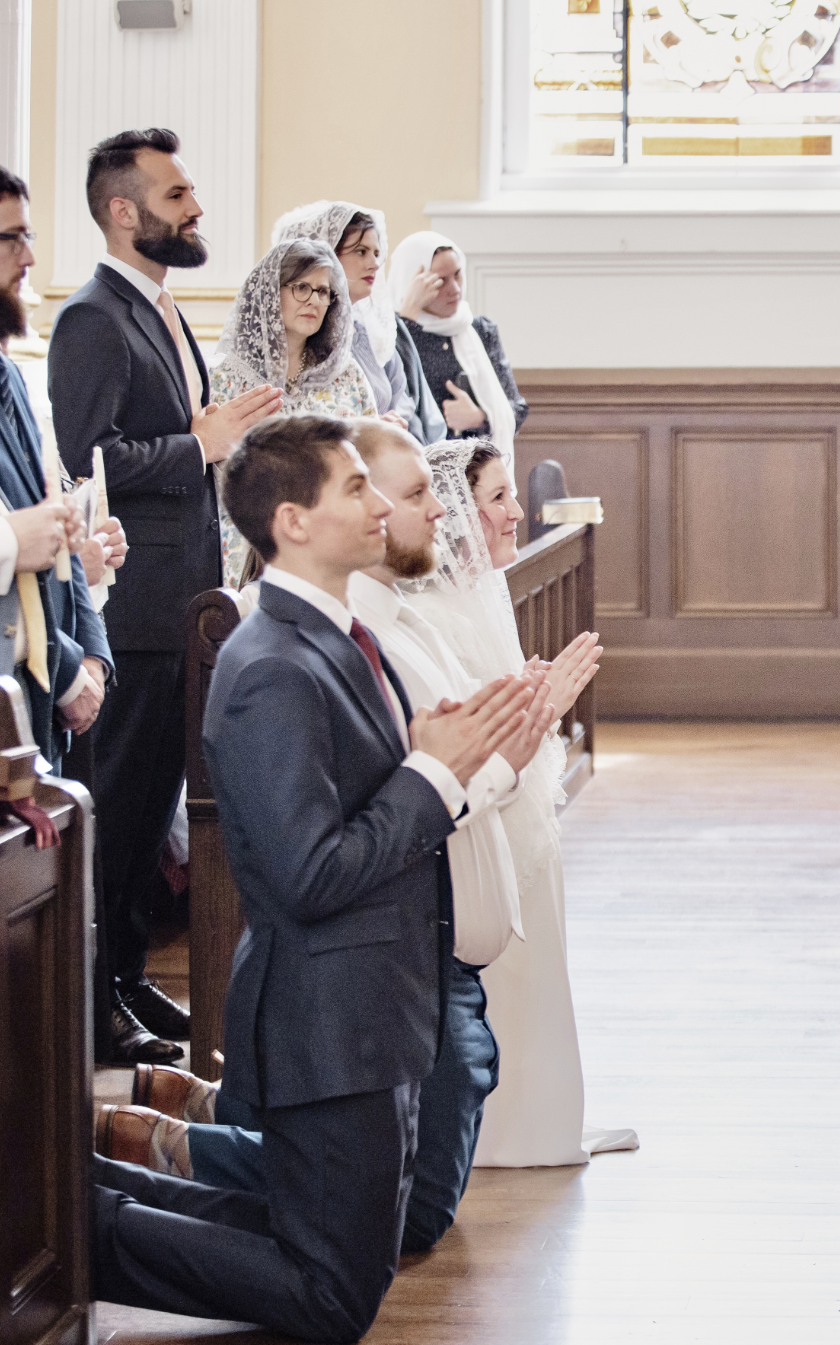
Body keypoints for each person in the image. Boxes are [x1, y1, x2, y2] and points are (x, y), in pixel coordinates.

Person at [88, 414, 538, 1343]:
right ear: (292, 520)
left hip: (375, 1008)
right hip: (329, 1020)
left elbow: (362, 806)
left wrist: (441, 762)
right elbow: (307, 874)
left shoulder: (333, 636)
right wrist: (433, 776)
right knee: (333, 1296)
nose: (383, 506)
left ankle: (92, 1194)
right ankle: (80, 1225)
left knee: (328, 1257)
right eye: (356, 490)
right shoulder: (269, 665)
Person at [47, 127, 282, 1064]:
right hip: (134, 606)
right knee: (121, 809)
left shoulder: (162, 307)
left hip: (182, 601)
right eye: (176, 195)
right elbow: (83, 458)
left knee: (150, 819)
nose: (194, 210)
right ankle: (93, 1002)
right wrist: (202, 444)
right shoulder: (93, 317)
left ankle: (130, 974)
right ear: (123, 211)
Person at [408, 439, 634, 1166]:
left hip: (515, 799)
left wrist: (527, 694)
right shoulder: (433, 610)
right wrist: (530, 706)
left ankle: (546, 1117)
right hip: (481, 815)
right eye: (498, 498)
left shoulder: (483, 589)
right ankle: (506, 1128)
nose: (516, 513)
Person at [0, 167, 112, 776]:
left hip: (34, 713)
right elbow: (26, 538)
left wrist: (89, 657)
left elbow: (57, 531)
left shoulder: (13, 378)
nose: (30, 257)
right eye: (12, 238)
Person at [212, 238, 378, 582]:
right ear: (272, 292)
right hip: (245, 544)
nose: (315, 300)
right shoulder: (226, 378)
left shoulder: (346, 374)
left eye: (323, 292)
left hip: (333, 538)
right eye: (302, 287)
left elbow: (369, 462)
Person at [271, 201, 446, 445]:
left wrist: (393, 425)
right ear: (327, 253)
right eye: (361, 251)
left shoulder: (370, 332)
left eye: (376, 253)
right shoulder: (303, 336)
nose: (374, 263)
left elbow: (401, 398)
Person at [389, 232, 527, 460]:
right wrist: (408, 315)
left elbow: (518, 408)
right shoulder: (394, 333)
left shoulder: (480, 330)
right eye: (440, 280)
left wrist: (479, 417)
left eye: (457, 275)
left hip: (481, 467)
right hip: (422, 466)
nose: (454, 289)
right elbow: (394, 401)